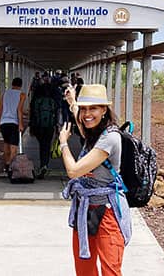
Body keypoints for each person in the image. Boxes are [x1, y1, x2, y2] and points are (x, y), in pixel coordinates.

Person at [59, 84, 131, 276]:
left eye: (93, 108)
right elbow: (81, 118)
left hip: (108, 212)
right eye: (85, 109)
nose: (87, 114)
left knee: (110, 271)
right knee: (84, 270)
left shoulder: (110, 138)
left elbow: (73, 171)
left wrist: (63, 143)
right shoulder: (93, 132)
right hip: (85, 210)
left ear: (104, 110)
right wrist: (74, 103)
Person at [0, 77, 26, 175]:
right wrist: (21, 124)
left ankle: (7, 164)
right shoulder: (22, 95)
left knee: (6, 144)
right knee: (14, 147)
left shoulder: (5, 94)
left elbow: (0, 108)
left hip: (4, 122)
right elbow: (19, 110)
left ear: (12, 84)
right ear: (21, 85)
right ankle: (11, 168)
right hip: (14, 123)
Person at [30, 77, 57, 179]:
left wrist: (31, 127)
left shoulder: (36, 100)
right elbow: (56, 113)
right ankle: (44, 164)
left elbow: (32, 114)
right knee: (47, 144)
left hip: (38, 126)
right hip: (50, 126)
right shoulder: (52, 101)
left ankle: (43, 164)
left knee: (42, 144)